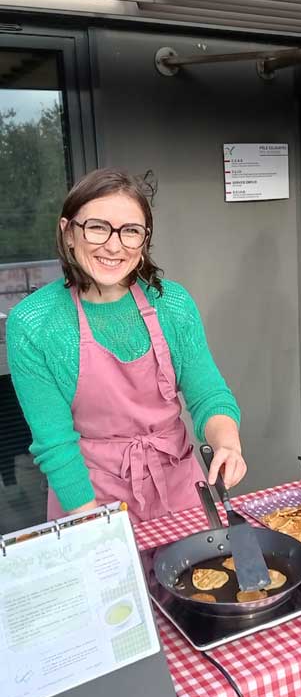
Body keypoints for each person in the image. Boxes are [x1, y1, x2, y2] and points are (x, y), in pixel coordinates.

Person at [7, 168, 246, 522]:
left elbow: (208, 394)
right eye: (98, 227)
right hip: (88, 496)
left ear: (143, 241)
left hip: (179, 489)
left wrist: (227, 442)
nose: (114, 246)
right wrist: (96, 529)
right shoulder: (34, 323)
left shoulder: (172, 304)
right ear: (68, 232)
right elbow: (55, 444)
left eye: (130, 231)